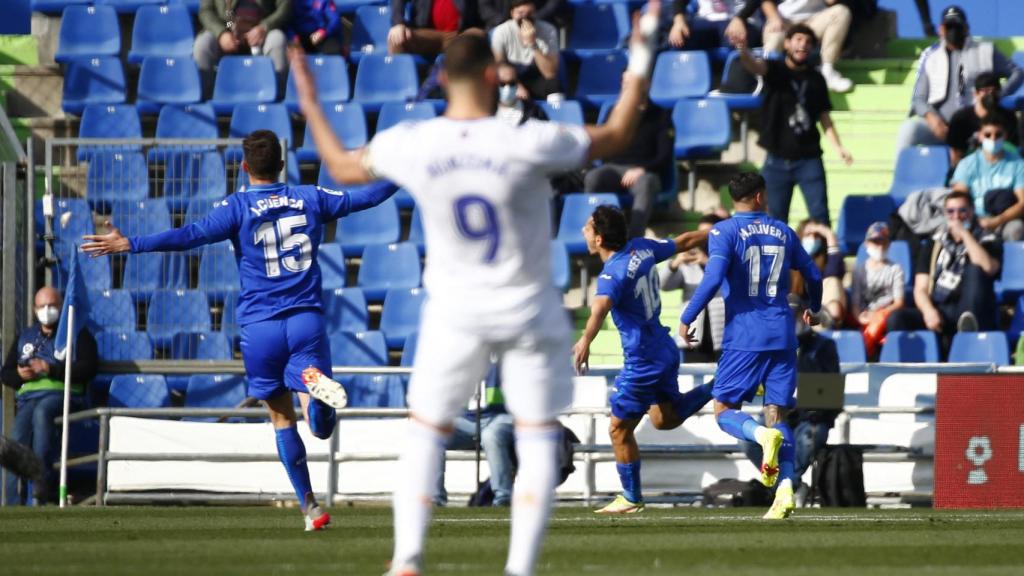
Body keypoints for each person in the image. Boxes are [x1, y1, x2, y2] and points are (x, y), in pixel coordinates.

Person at [291, 1, 663, 570]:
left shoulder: (416, 139)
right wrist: (641, 50)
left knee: (424, 432)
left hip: (454, 310)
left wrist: (310, 98)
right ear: (494, 74)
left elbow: (341, 167)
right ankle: (519, 567)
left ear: (442, 77)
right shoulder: (526, 135)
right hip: (528, 309)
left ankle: (408, 559)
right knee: (537, 435)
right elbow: (617, 132)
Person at [81, 130, 398, 530]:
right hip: (305, 320)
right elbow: (366, 197)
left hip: (259, 326)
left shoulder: (237, 206)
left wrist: (133, 244)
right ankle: (314, 395)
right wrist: (407, 176)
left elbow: (190, 235)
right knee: (318, 425)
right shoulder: (309, 197)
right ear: (282, 163)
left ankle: (310, 508)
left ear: (245, 167)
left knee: (282, 421)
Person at [678, 172, 824, 521]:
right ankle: (786, 490)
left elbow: (712, 278)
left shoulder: (724, 232)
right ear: (760, 197)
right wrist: (812, 308)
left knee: (724, 409)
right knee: (778, 413)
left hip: (744, 336)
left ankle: (760, 436)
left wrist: (687, 316)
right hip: (782, 334)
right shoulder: (784, 231)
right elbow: (814, 276)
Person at [573, 205, 713, 514]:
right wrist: (718, 232)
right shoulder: (643, 247)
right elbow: (687, 239)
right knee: (664, 419)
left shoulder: (612, 273)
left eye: (587, 227)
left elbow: (599, 308)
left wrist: (585, 339)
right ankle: (720, 385)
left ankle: (631, 497)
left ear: (598, 239)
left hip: (643, 360)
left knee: (618, 429)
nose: (583, 230)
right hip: (663, 347)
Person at [733, 23, 853, 226]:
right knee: (774, 222)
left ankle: (823, 256)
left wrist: (839, 147)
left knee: (820, 216)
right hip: (776, 160)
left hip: (809, 159)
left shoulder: (816, 79)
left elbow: (825, 118)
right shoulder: (774, 69)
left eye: (808, 42)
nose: (803, 45)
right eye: (798, 40)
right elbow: (754, 66)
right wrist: (742, 49)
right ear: (787, 43)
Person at [1, 286, 97, 505]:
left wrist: (51, 369)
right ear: (35, 309)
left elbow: (89, 368)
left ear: (61, 307)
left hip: (62, 395)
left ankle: (40, 491)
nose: (47, 310)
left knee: (42, 414)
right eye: (42, 306)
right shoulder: (25, 336)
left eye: (52, 305)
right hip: (29, 398)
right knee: (16, 439)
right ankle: (13, 501)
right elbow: (5, 374)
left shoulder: (77, 334)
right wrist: (19, 374)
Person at [741, 294, 839, 506]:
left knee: (808, 437)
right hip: (778, 414)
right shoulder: (771, 346)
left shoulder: (823, 346)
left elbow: (831, 389)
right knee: (749, 440)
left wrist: (816, 411)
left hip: (811, 416)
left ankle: (785, 486)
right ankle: (791, 485)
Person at [895, 5, 1022, 151]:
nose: (953, 31)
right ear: (941, 29)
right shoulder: (931, 58)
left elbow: (1016, 72)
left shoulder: (985, 51)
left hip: (977, 122)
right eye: (949, 27)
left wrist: (999, 95)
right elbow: (918, 99)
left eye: (957, 26)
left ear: (966, 28)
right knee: (909, 130)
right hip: (942, 126)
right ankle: (900, 173)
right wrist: (932, 119)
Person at [886, 191, 1002, 349]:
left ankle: (967, 337)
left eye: (962, 210)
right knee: (897, 318)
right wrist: (928, 311)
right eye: (951, 211)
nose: (957, 216)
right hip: (939, 307)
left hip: (971, 309)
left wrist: (964, 234)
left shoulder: (988, 239)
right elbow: (920, 288)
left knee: (975, 268)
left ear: (972, 211)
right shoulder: (934, 243)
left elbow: (988, 267)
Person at [583, 97, 672, 239]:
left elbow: (665, 155)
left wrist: (642, 168)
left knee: (646, 183)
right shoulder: (614, 112)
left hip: (645, 171)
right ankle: (598, 233)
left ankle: (634, 238)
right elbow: (605, 145)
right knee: (593, 178)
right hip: (613, 168)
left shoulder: (660, 115)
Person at [435, 363, 516, 507]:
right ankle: (435, 499)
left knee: (491, 436)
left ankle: (503, 497)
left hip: (502, 416)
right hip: (467, 418)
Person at [738, 0, 854, 93]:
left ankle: (827, 71)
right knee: (775, 35)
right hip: (784, 19)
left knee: (841, 12)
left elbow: (830, 1)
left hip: (814, 21)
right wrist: (774, 18)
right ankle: (767, 81)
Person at [660, 213, 726, 361]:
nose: (704, 239)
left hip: (722, 337)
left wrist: (708, 261)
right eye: (700, 234)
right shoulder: (688, 263)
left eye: (707, 234)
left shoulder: (729, 259)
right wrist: (674, 264)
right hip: (693, 336)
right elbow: (663, 285)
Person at [194, 0, 292, 97]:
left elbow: (285, 8)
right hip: (225, 29)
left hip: (262, 31)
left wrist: (265, 26)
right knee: (203, 44)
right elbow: (206, 10)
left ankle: (278, 98)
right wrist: (221, 33)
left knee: (277, 39)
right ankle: (206, 99)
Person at [949, 115, 1024, 242]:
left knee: (1017, 229)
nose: (993, 139)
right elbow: (959, 199)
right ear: (980, 136)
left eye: (998, 134)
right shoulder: (967, 164)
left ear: (1005, 136)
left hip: (1005, 220)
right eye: (988, 135)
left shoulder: (1018, 164)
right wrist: (973, 222)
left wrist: (997, 221)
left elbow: (1022, 203)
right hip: (973, 218)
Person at [850, 222, 905, 358]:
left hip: (884, 314)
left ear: (889, 244)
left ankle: (866, 353)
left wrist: (879, 315)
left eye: (883, 242)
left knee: (878, 323)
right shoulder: (859, 270)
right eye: (875, 241)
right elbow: (855, 302)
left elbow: (899, 302)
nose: (879, 246)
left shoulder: (895, 269)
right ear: (866, 243)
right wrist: (860, 317)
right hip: (864, 315)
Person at [490, 0, 561, 100]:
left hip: (536, 77)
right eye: (521, 13)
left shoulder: (548, 30)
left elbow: (550, 73)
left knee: (554, 85)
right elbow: (499, 65)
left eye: (529, 13)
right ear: (512, 13)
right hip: (511, 78)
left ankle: (556, 111)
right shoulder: (500, 32)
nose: (525, 18)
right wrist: (516, 85)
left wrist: (532, 44)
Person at [947, 72, 1020, 168]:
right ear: (976, 94)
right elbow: (956, 154)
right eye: (985, 91)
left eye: (994, 91)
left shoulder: (1008, 117)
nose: (990, 95)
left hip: (1002, 167)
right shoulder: (960, 119)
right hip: (969, 168)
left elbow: (1012, 149)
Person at [792, 220, 845, 326]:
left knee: (833, 280)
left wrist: (825, 232)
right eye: (808, 235)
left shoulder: (826, 262)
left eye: (816, 236)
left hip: (823, 315)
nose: (812, 239)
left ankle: (823, 319)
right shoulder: (791, 264)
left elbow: (835, 267)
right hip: (800, 317)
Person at [387, 0, 484, 58]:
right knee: (396, 39)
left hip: (460, 36)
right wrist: (398, 23)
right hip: (428, 35)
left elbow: (486, 9)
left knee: (478, 35)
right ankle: (404, 87)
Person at [667, 0, 762, 51]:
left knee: (737, 40)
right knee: (679, 37)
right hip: (707, 20)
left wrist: (740, 19)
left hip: (741, 20)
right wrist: (678, 21)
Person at [479, 0, 563, 30]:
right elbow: (484, 7)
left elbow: (554, 4)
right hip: (498, 26)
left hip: (537, 26)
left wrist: (532, 18)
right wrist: (504, 21)